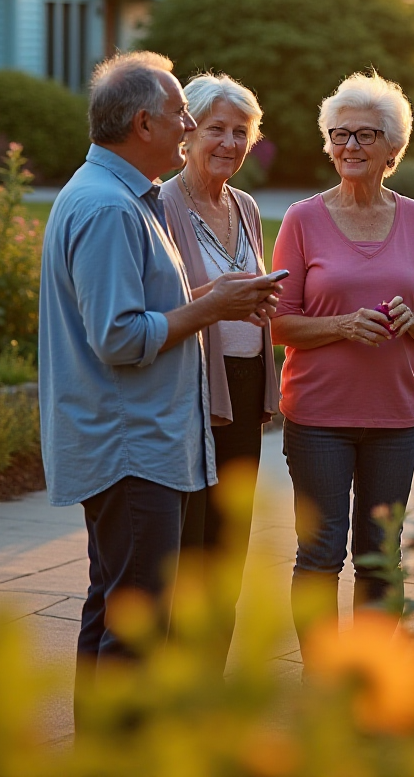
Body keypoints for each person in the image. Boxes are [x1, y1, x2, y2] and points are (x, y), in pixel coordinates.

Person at [39, 51, 282, 700]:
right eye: (183, 117)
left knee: (119, 611)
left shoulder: (122, 198)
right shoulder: (111, 208)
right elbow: (119, 337)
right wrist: (212, 306)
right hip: (131, 446)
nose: (188, 130)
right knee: (138, 624)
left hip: (147, 442)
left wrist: (220, 297)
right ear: (144, 123)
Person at [270, 71, 414, 644]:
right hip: (318, 415)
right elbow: (278, 322)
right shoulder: (302, 218)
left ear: (392, 148)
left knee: (380, 556)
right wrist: (344, 325)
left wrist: (410, 322)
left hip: (396, 416)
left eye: (365, 134)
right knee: (320, 553)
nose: (349, 145)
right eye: (339, 134)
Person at [159, 72, 275, 669]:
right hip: (193, 390)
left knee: (230, 543)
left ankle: (210, 678)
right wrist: (224, 293)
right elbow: (163, 304)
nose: (229, 142)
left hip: (245, 386)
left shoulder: (246, 206)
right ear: (186, 133)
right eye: (215, 130)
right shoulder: (161, 204)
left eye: (240, 131)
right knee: (190, 545)